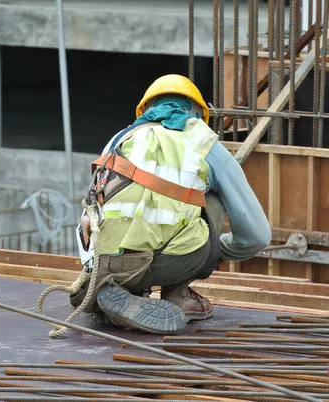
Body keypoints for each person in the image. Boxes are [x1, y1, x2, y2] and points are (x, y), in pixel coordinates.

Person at [70, 74, 272, 335]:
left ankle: (109, 291)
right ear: (198, 113)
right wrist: (216, 251)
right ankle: (177, 295)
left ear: (146, 109)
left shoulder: (119, 140)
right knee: (208, 198)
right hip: (166, 262)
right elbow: (257, 236)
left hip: (103, 261)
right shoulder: (203, 142)